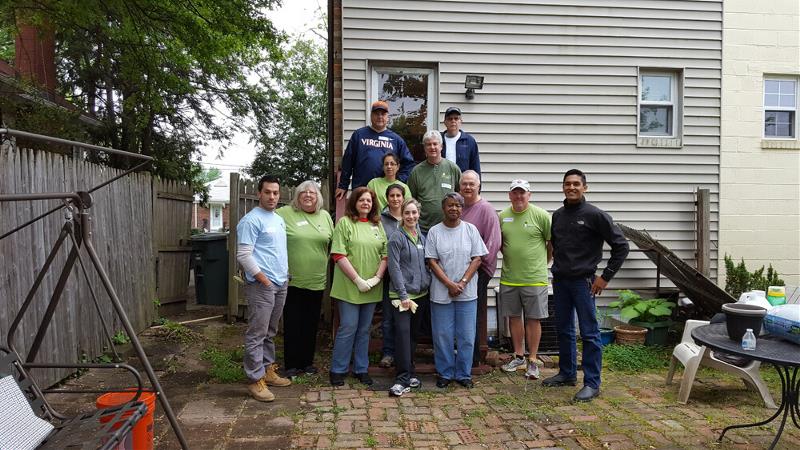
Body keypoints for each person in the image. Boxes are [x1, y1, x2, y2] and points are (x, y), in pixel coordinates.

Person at [543, 169, 629, 402]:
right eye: (567, 184)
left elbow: (621, 246)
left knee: (589, 333)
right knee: (564, 330)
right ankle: (567, 373)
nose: (571, 188)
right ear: (563, 187)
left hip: (585, 282)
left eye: (576, 184)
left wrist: (605, 277)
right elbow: (557, 248)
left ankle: (592, 383)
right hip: (561, 281)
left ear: (584, 188)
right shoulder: (558, 216)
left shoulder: (595, 215)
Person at [237, 174, 292, 402]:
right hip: (262, 285)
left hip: (280, 283)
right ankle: (254, 379)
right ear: (259, 193)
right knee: (257, 333)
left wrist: (283, 277)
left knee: (270, 331)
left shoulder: (277, 218)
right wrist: (264, 279)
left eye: (275, 193)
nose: (272, 196)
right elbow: (243, 255)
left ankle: (268, 371)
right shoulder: (251, 220)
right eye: (267, 192)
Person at [425, 193, 488, 389]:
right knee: (442, 335)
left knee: (467, 336)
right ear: (443, 208)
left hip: (467, 293)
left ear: (462, 209)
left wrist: (461, 282)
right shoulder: (435, 232)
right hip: (441, 293)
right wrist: (449, 284)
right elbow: (431, 261)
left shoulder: (470, 230)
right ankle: (444, 373)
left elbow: (477, 258)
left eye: (458, 205)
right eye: (450, 205)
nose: (454, 209)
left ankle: (463, 373)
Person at [329, 187, 388, 387]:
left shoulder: (377, 225)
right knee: (348, 327)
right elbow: (338, 254)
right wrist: (358, 280)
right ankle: (338, 369)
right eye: (362, 200)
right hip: (349, 286)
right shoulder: (345, 223)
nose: (365, 203)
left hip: (371, 286)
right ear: (354, 202)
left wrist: (377, 278)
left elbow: (385, 254)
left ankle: (361, 369)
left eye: (369, 201)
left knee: (364, 330)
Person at [276, 180, 334, 378]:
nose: (308, 195)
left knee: (311, 323)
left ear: (318, 197)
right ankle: (291, 365)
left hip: (317, 280)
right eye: (303, 193)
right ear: (297, 197)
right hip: (292, 279)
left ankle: (307, 363)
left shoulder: (325, 216)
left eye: (312, 193)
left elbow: (331, 243)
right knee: (293, 322)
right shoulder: (284, 214)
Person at [498, 179, 552, 380]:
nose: (518, 196)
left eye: (522, 193)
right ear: (509, 195)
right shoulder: (502, 216)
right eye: (515, 193)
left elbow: (550, 243)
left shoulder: (541, 215)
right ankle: (518, 355)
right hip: (510, 278)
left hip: (534, 278)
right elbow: (501, 244)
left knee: (533, 319)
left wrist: (542, 263)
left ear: (529, 195)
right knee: (513, 317)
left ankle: (533, 359)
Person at [386, 198, 431, 396]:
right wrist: (403, 295)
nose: (411, 216)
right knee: (403, 336)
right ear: (402, 215)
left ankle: (410, 372)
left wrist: (427, 281)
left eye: (414, 213)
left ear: (418, 214)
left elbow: (426, 263)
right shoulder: (397, 237)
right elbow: (394, 269)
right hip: (402, 297)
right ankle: (401, 379)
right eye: (407, 213)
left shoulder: (421, 236)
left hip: (420, 294)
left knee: (413, 336)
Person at [459, 170, 501, 367]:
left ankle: (473, 356)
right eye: (464, 184)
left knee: (473, 313)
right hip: (459, 270)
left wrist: (478, 269)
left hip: (479, 270)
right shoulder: (459, 207)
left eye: (471, 184)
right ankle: (461, 351)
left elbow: (493, 243)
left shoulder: (485, 209)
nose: (467, 187)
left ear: (479, 186)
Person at [336, 101, 415, 200]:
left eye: (383, 114)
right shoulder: (359, 135)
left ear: (387, 117)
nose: (380, 116)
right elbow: (348, 161)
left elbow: (409, 164)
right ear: (371, 115)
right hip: (361, 190)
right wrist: (343, 185)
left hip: (386, 194)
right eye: (376, 114)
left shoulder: (396, 140)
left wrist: (397, 180)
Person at [407, 130, 462, 233]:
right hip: (423, 229)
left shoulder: (453, 168)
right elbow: (411, 199)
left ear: (441, 146)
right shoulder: (416, 171)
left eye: (435, 144)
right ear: (424, 148)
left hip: (448, 227)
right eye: (428, 145)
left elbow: (460, 197)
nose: (432, 147)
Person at [377, 183, 407, 368]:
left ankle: (405, 352)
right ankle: (388, 353)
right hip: (388, 273)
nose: (395, 199)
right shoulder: (380, 219)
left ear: (403, 198)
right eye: (392, 196)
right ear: (387, 199)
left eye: (398, 195)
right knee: (388, 317)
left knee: (405, 316)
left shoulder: (409, 216)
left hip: (408, 274)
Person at [440, 107, 480, 174]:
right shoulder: (439, 140)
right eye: (450, 119)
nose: (453, 121)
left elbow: (475, 166)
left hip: (462, 182)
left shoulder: (469, 141)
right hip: (442, 181)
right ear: (445, 122)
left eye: (456, 118)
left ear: (461, 121)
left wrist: (477, 184)